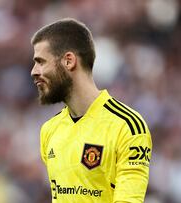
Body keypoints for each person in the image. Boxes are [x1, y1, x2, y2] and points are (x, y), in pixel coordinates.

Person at [30, 18, 152, 202]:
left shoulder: (127, 126)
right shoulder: (49, 130)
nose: (33, 71)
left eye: (40, 62)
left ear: (69, 61)